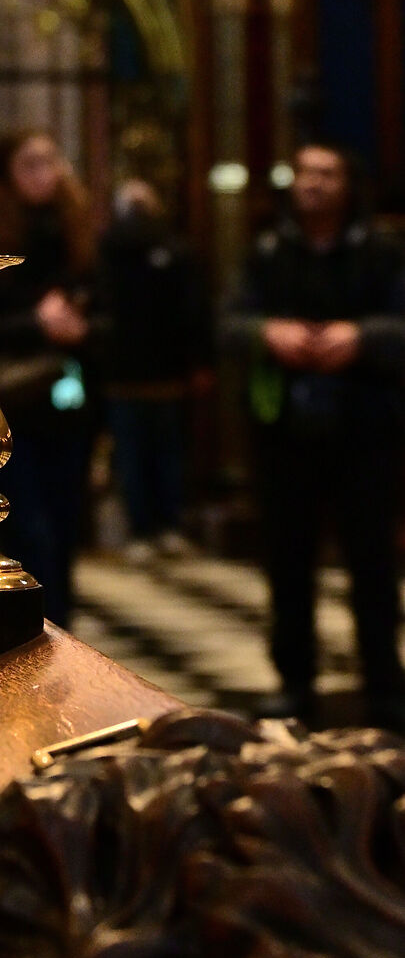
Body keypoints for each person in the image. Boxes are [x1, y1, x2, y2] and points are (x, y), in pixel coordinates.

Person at [221, 142, 405, 728]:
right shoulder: (269, 252)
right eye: (304, 173)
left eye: (327, 174)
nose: (313, 184)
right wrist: (269, 332)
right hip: (288, 430)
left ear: (349, 185)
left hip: (365, 428)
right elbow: (228, 321)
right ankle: (295, 682)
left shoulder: (382, 252)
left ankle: (384, 685)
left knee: (372, 561)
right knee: (288, 560)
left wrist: (361, 338)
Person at [0, 130, 96, 629]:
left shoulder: (78, 232)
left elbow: (112, 313)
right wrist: (39, 322)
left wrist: (80, 325)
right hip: (12, 402)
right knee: (27, 530)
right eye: (30, 162)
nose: (43, 172)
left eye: (51, 160)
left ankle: (63, 632)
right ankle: (29, 630)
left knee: (65, 523)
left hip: (67, 403)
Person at [93, 176, 210, 557]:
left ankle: (170, 523)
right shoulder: (107, 252)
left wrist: (199, 362)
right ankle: (140, 529)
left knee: (169, 456)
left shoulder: (175, 252)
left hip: (167, 373)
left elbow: (193, 311)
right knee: (130, 457)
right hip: (123, 375)